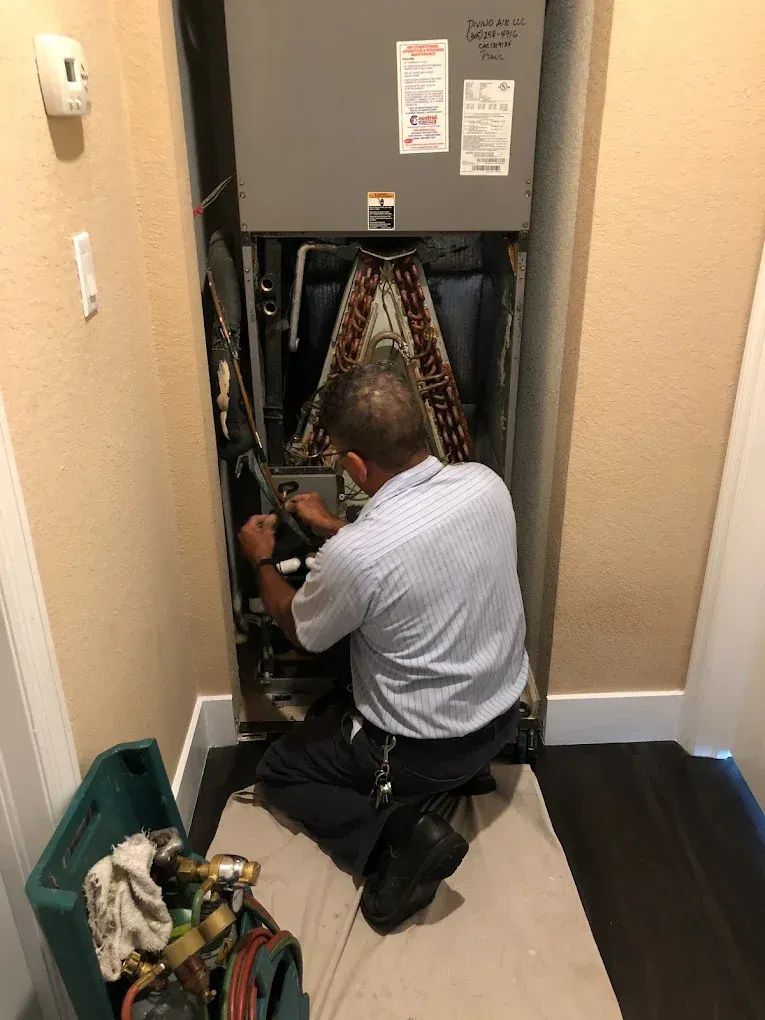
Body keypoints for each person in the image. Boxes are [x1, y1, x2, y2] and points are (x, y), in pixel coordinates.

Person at [238, 363, 528, 932]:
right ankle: (465, 776)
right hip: (500, 720)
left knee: (280, 771)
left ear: (353, 464)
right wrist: (335, 526)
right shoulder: (485, 484)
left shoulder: (361, 555)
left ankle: (396, 841)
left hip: (423, 752)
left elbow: (301, 629)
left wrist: (261, 560)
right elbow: (410, 554)